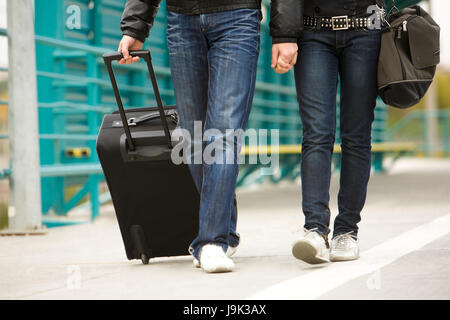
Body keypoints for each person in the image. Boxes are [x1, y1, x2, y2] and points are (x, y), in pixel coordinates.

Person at [118, 0, 262, 273]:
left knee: (222, 134)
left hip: (238, 16)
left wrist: (285, 34)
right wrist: (135, 26)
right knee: (194, 137)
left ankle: (211, 241)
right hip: (181, 19)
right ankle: (225, 231)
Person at [270, 0, 384, 264]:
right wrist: (284, 34)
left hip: (366, 28)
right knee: (316, 134)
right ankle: (315, 229)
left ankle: (346, 231)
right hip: (312, 31)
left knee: (356, 136)